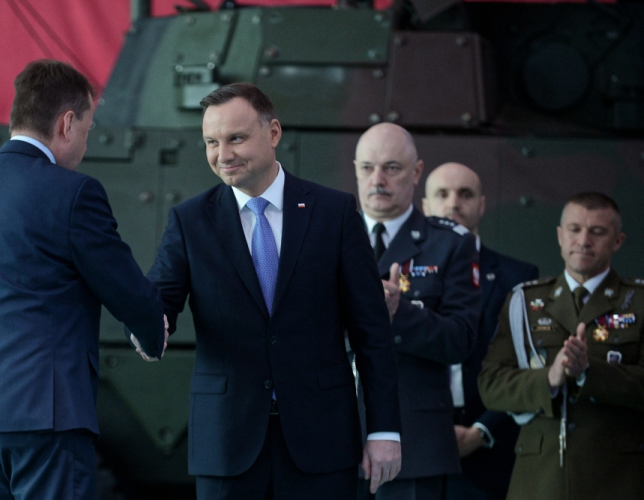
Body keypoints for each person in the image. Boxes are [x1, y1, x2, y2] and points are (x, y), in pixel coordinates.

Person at [0, 59, 167, 500]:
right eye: (89, 130)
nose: (85, 144)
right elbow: (123, 285)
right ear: (67, 122)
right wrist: (151, 334)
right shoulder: (73, 192)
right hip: (42, 417)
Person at [147, 83, 402, 500]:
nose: (222, 155)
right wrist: (146, 322)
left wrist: (384, 429)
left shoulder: (333, 213)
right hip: (228, 443)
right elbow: (161, 301)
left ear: (274, 133)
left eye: (236, 138)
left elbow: (371, 332)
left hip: (321, 442)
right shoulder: (190, 221)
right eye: (211, 142)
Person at [478, 192, 644, 500]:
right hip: (541, 478)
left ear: (618, 241)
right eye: (574, 229)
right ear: (559, 235)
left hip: (617, 478)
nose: (583, 240)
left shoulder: (639, 301)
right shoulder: (524, 302)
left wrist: (589, 373)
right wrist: (549, 379)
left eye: (597, 231)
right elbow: (491, 385)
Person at [354, 124, 480, 500]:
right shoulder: (325, 236)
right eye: (367, 168)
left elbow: (461, 340)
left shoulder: (450, 244)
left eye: (391, 167)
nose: (378, 180)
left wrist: (399, 315)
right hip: (330, 435)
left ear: (416, 172)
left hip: (414, 443)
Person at [421, 162, 538, 500]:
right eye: (442, 194)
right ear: (425, 207)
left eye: (465, 194)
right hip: (412, 450)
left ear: (482, 205)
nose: (453, 203)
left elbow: (529, 364)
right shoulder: (400, 272)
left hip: (488, 453)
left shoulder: (517, 277)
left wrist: (483, 430)